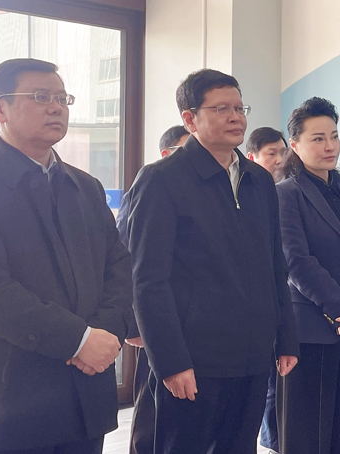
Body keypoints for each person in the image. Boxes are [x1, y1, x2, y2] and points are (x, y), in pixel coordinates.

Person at [0, 58, 134, 453]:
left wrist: (106, 332)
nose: (56, 107)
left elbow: (118, 267)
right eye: (40, 97)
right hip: (10, 400)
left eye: (62, 98)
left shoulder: (85, 187)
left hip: (85, 395)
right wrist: (78, 340)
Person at [127, 69, 298, 454]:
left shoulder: (259, 180)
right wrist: (170, 361)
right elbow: (147, 280)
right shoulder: (161, 179)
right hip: (194, 359)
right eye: (221, 109)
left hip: (253, 357)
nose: (236, 117)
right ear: (190, 119)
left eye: (239, 108)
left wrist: (285, 336)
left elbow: (275, 266)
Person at [263, 97, 340, 454]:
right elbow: (297, 262)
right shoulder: (285, 194)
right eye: (318, 138)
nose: (329, 145)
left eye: (334, 136)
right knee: (308, 434)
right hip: (310, 331)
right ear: (295, 144)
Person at [116, 123, 189, 454]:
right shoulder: (151, 185)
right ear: (166, 154)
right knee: (151, 414)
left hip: (192, 326)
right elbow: (126, 256)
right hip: (155, 322)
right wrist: (134, 325)